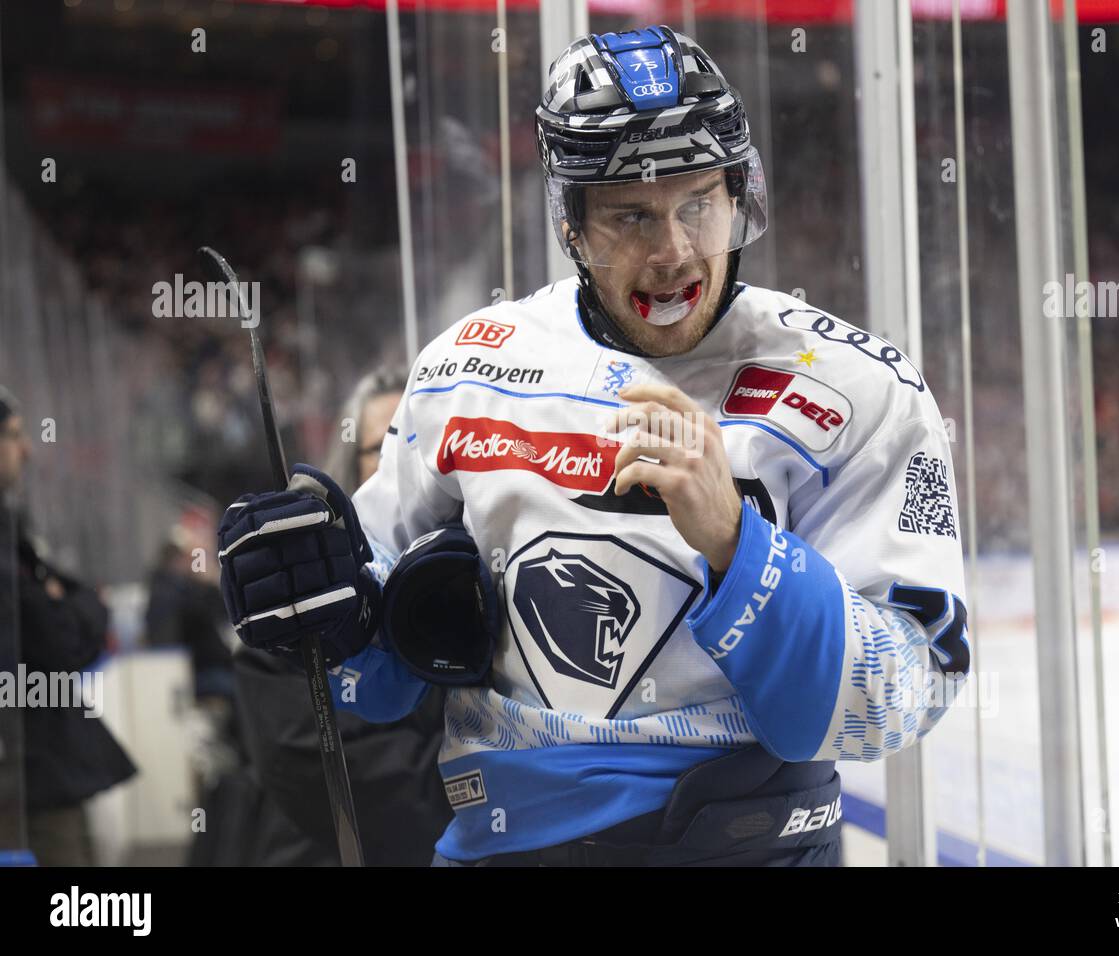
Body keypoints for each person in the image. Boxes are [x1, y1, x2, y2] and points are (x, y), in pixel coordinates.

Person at [218, 27, 970, 866]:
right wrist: (323, 607)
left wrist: (740, 549)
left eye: (699, 205)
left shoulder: (857, 388)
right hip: (498, 846)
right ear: (570, 224)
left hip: (747, 847)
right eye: (631, 218)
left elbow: (906, 694)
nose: (674, 250)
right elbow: (378, 674)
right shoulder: (469, 366)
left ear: (739, 196)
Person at [200, 368, 451, 866]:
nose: (405, 465)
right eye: (385, 447)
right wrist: (481, 788)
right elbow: (332, 777)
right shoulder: (299, 602)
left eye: (423, 445)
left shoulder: (464, 584)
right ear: (349, 466)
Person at [0, 385, 136, 866]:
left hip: (43, 768)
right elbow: (60, 641)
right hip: (24, 774)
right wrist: (74, 607)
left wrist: (72, 605)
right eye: (13, 436)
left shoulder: (14, 533)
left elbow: (80, 613)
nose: (27, 449)